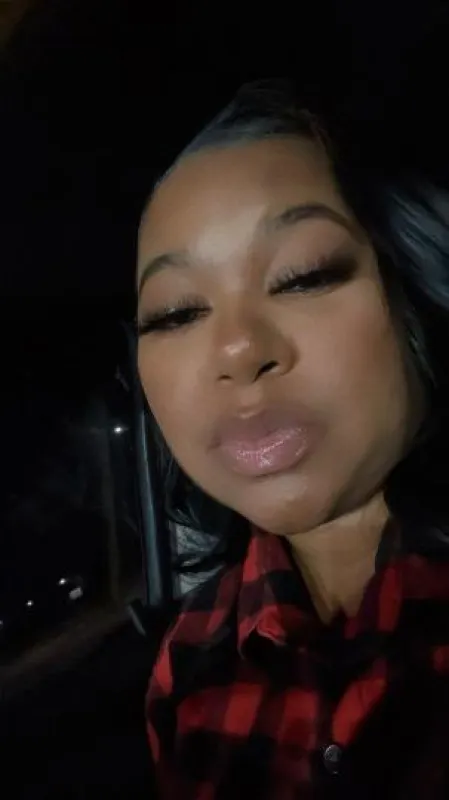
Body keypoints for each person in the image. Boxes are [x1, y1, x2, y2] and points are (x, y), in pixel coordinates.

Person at [136, 80, 449, 799]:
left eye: (303, 276)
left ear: (415, 284)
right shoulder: (188, 663)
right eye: (175, 313)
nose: (237, 349)